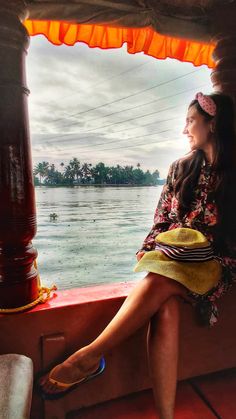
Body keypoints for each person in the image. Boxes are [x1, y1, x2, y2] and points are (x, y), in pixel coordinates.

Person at [39, 92, 236, 419]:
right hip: (176, 262)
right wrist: (155, 247)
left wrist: (207, 247)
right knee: (166, 308)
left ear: (212, 124)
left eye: (190, 120)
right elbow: (162, 221)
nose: (185, 129)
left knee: (159, 280)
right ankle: (166, 415)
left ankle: (88, 356)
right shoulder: (180, 168)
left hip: (217, 266)